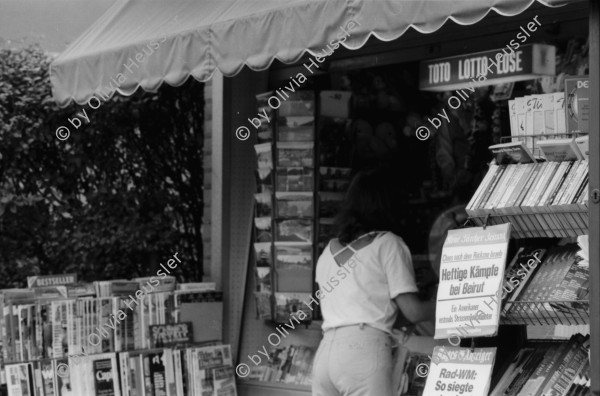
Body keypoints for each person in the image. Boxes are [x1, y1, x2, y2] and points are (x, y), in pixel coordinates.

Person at [312, 167, 437, 396]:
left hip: (325, 353)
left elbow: (357, 303)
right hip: (363, 351)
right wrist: (453, 306)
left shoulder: (327, 253)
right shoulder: (388, 243)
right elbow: (414, 312)